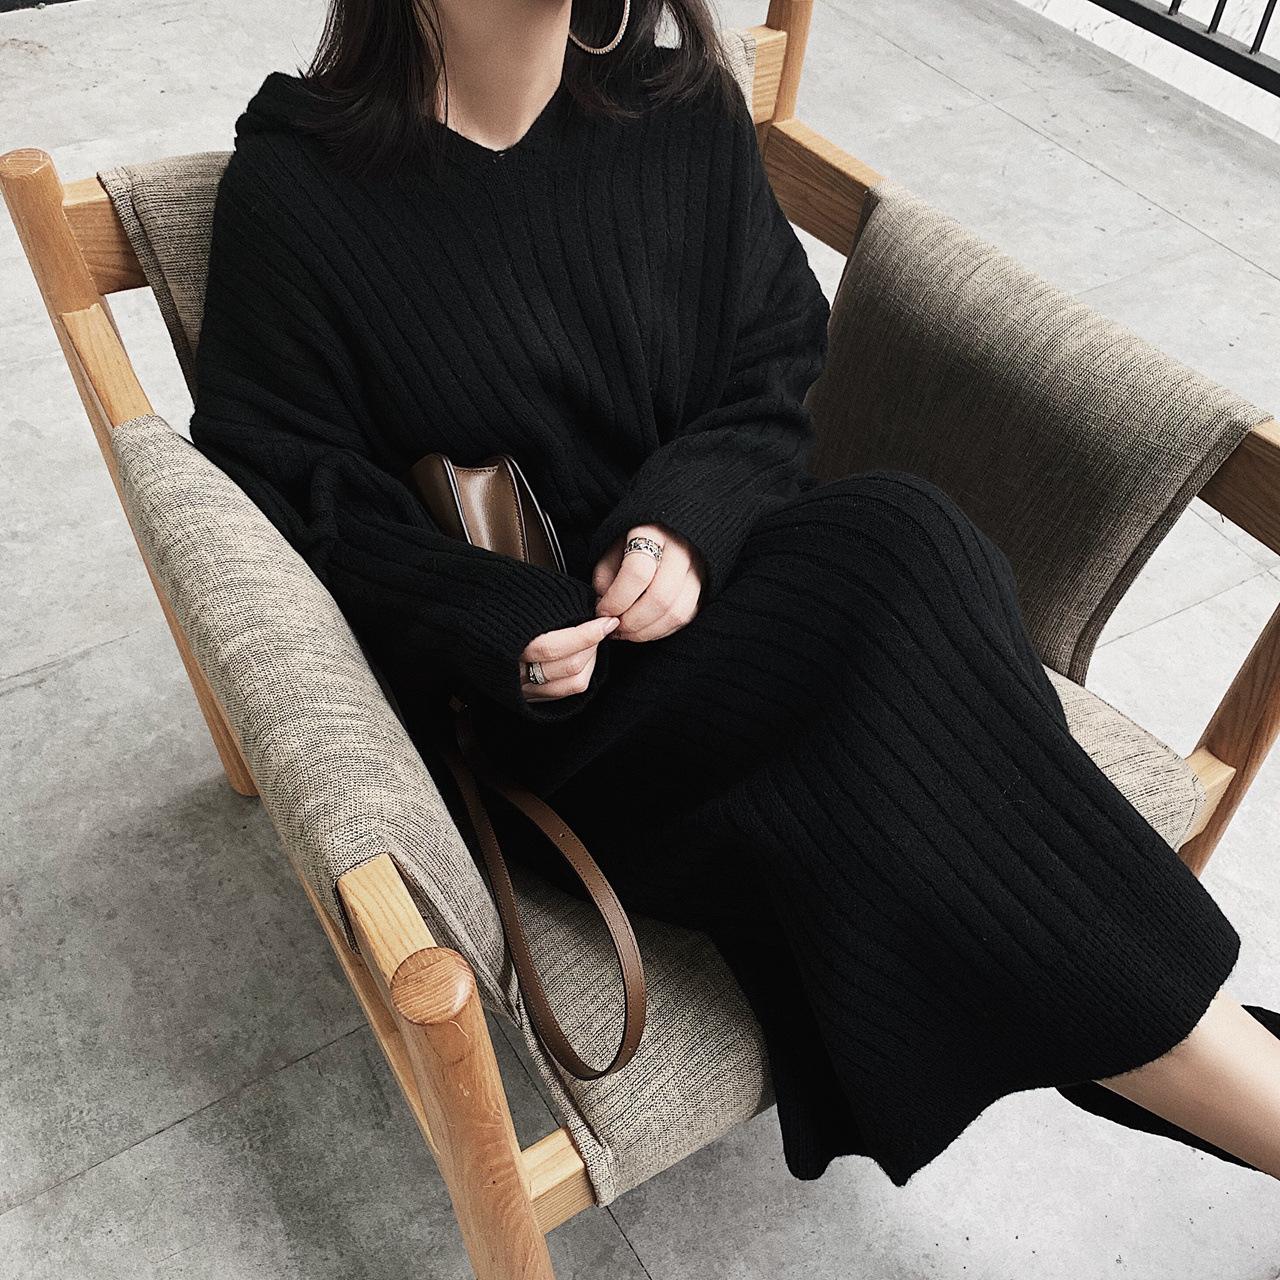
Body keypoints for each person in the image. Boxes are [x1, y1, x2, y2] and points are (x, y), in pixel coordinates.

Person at [188, 0, 1280, 1190]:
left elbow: (775, 352)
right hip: (568, 720)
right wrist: (490, 617)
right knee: (896, 610)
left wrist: (684, 524)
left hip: (744, 603)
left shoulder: (678, 110)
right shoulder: (297, 191)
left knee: (905, 535)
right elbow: (291, 487)